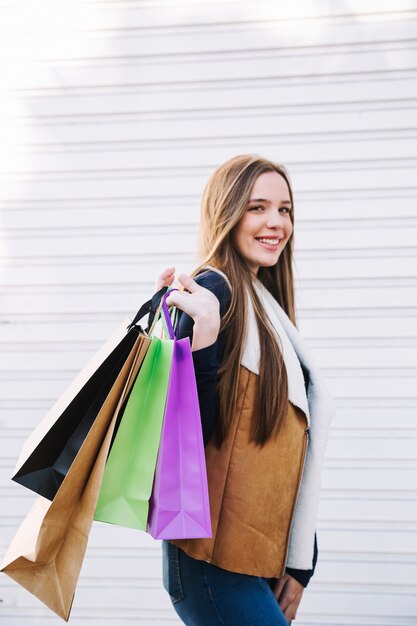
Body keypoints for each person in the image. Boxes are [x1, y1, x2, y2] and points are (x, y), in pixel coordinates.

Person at [148, 154, 335, 625]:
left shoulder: (264, 303)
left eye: (285, 209)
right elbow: (190, 438)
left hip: (254, 554)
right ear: (227, 212)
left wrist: (299, 556)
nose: (276, 222)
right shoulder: (214, 291)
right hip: (212, 559)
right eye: (258, 207)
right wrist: (201, 339)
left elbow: (282, 446)